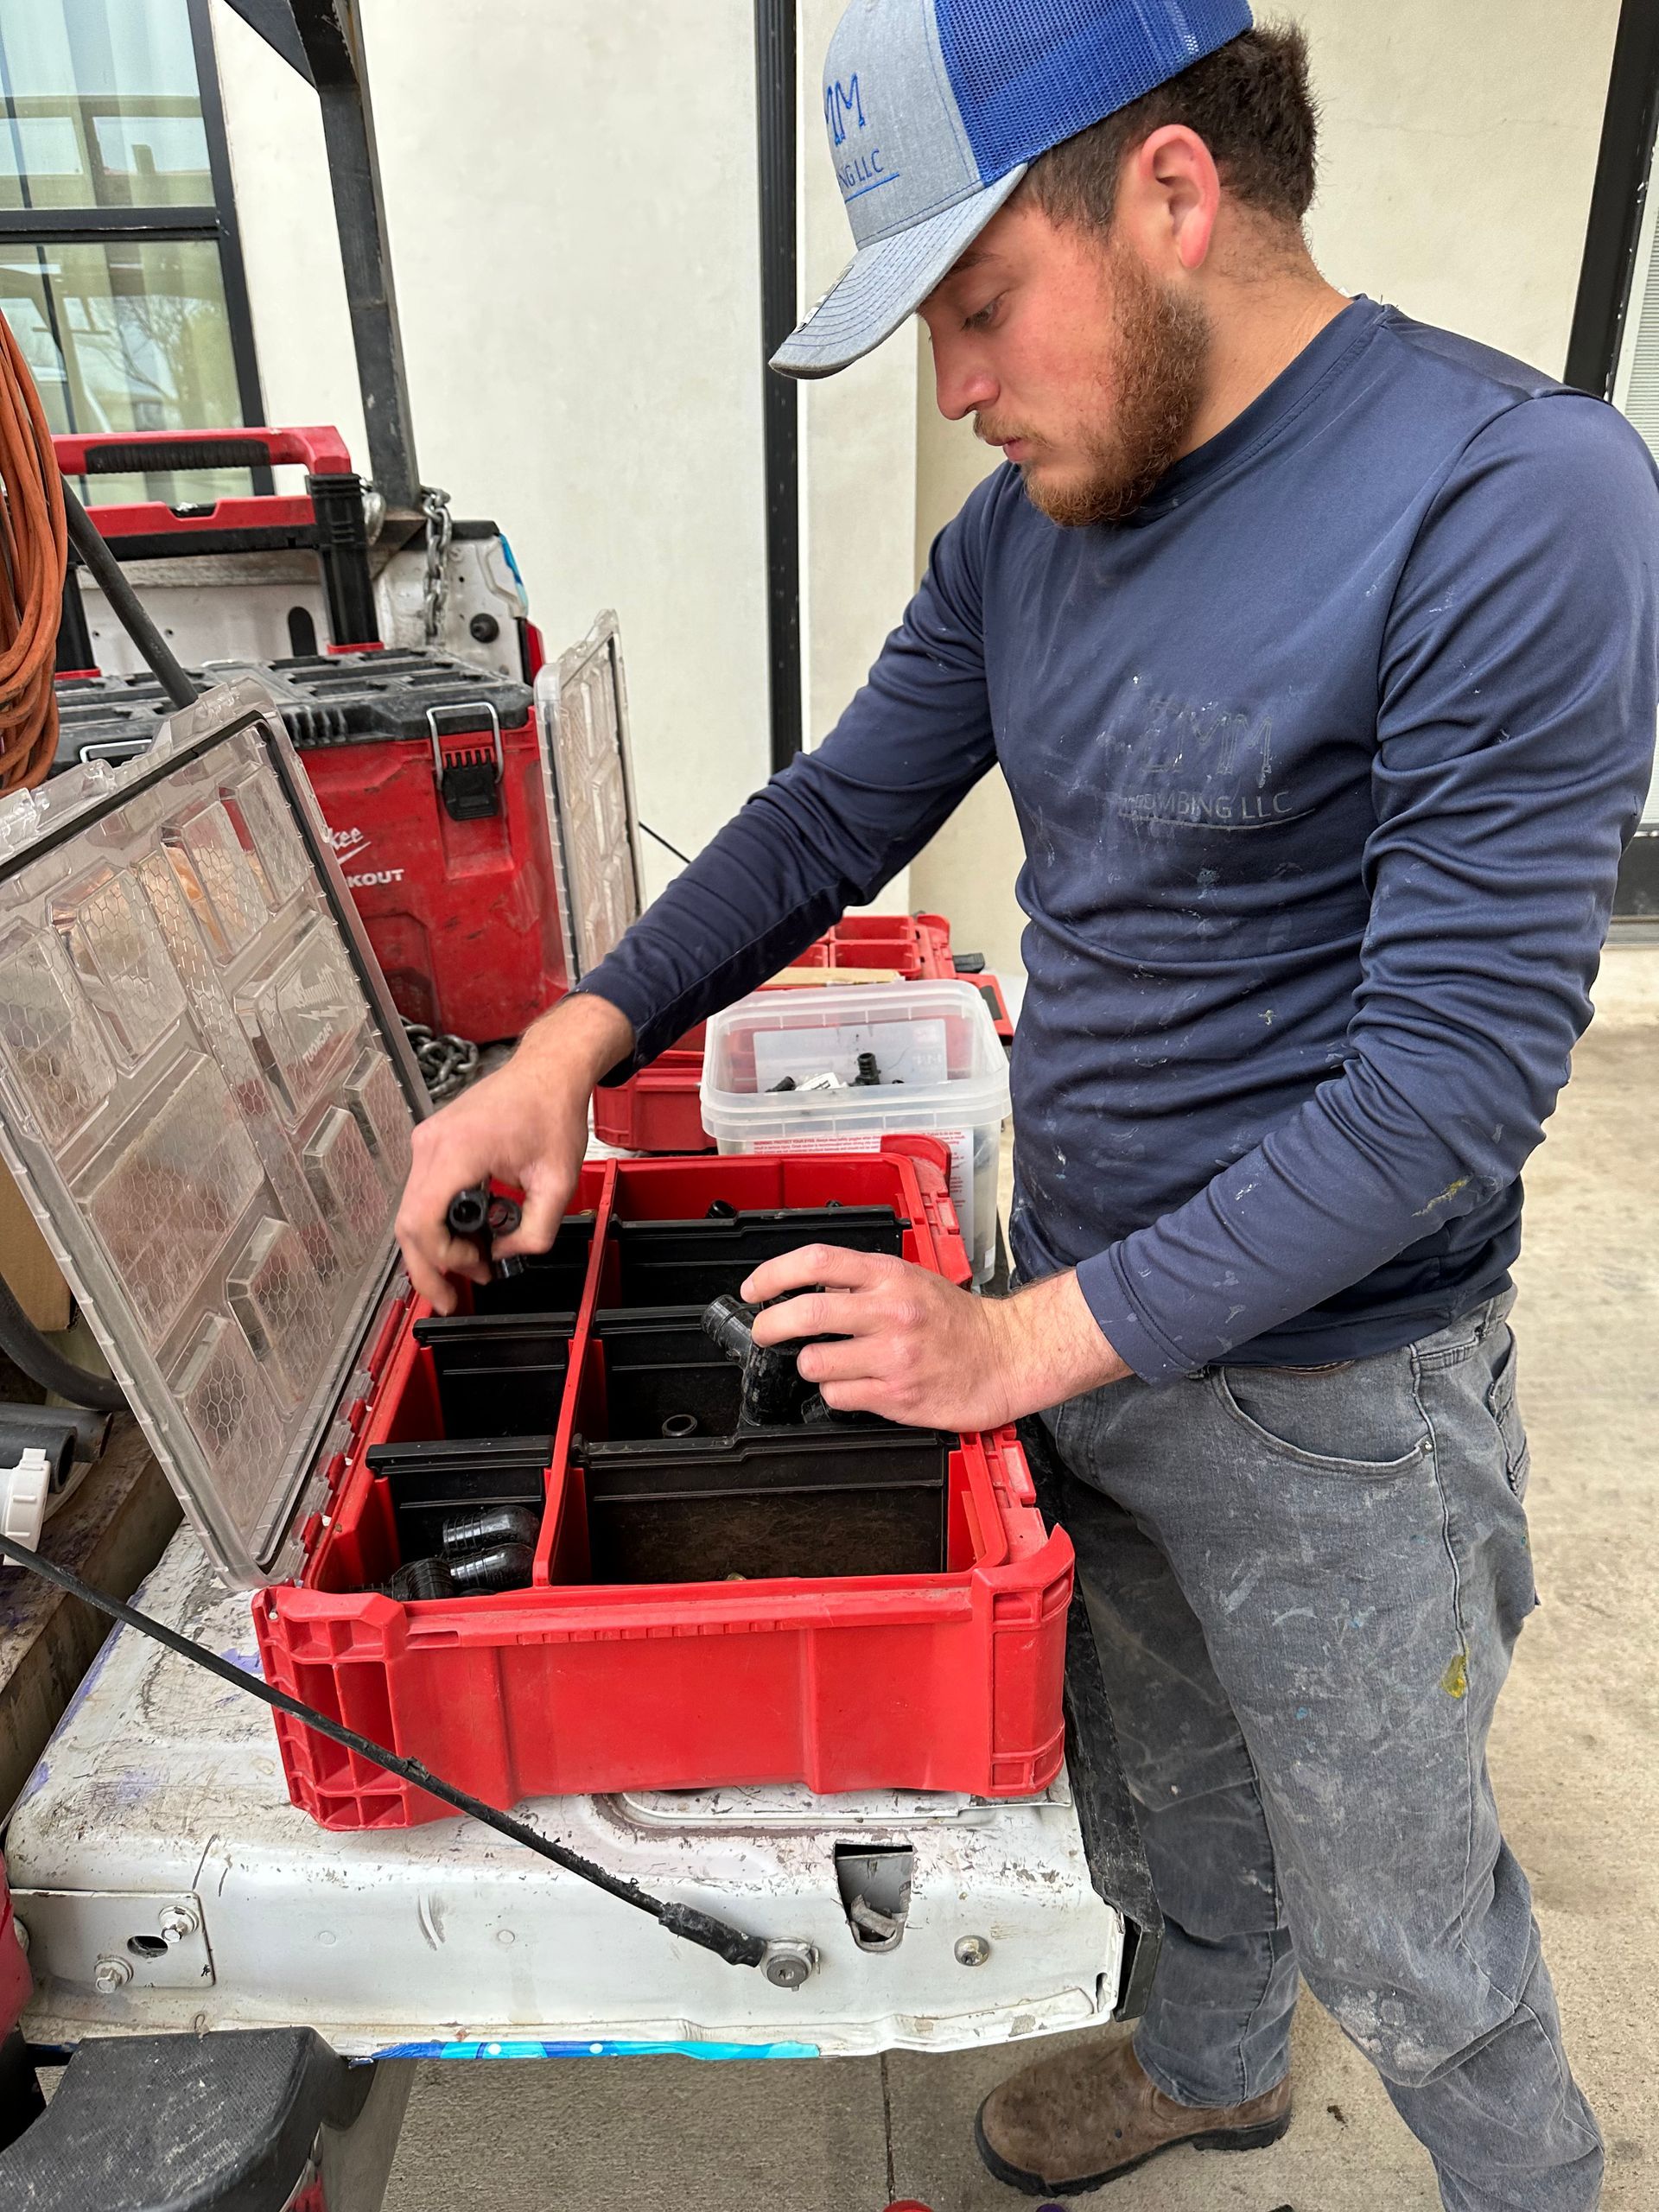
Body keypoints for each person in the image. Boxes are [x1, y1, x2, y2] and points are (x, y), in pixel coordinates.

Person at [397, 3, 1658, 2203]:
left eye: (980, 306)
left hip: (1338, 1387)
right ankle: (1209, 2057)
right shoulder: (1028, 540)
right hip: (1085, 1299)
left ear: (1173, 195)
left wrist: (1007, 1340)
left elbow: (1449, 1081)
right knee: (1164, 1772)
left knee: (1409, 1909)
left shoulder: (1510, 497)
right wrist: (559, 1052)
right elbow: (826, 821)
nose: (955, 387)